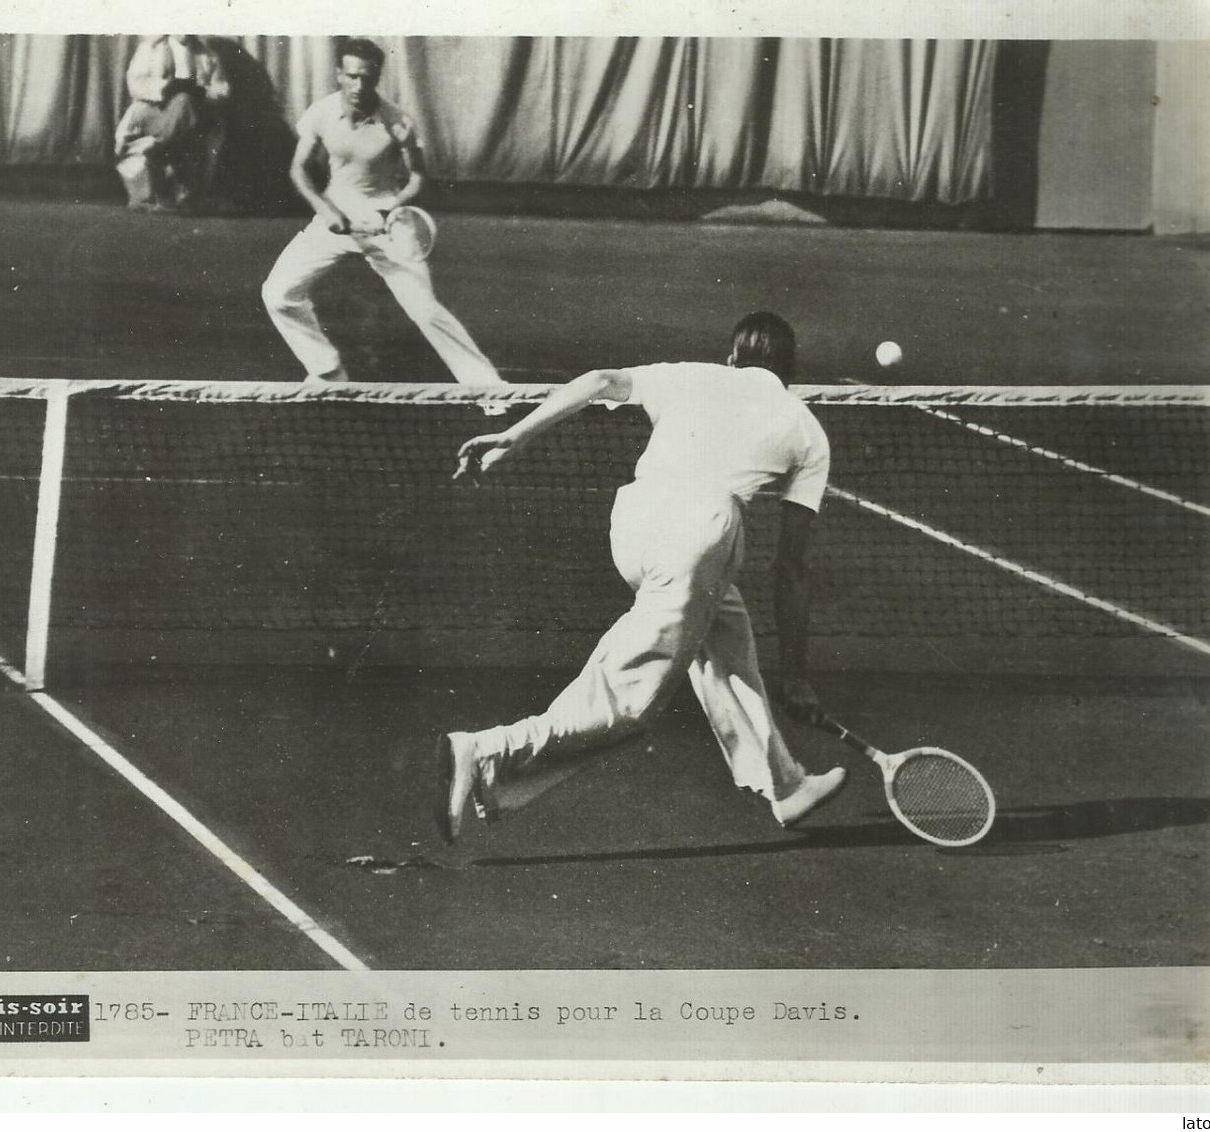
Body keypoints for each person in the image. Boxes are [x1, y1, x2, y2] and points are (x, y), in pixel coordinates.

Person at [436, 311, 845, 843]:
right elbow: (792, 567)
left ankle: (785, 783)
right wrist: (796, 674)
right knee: (632, 703)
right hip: (700, 535)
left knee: (725, 639)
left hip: (633, 525)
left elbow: (598, 381)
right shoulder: (805, 427)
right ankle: (487, 751)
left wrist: (513, 437)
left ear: (732, 358)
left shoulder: (691, 374)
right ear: (790, 371)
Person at [261, 38, 506, 387]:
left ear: (377, 76)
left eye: (367, 77)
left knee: (425, 311)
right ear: (339, 75)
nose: (359, 85)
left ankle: (490, 390)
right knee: (278, 294)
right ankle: (327, 370)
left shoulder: (398, 122)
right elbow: (299, 170)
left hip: (386, 224)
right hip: (333, 220)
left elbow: (418, 176)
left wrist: (389, 208)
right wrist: (326, 209)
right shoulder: (320, 113)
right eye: (352, 76)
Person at [114, 35, 230, 213]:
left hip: (194, 114)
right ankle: (169, 155)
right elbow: (135, 83)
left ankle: (161, 149)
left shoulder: (207, 55)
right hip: (155, 113)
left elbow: (222, 89)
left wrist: (200, 92)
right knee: (182, 102)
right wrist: (166, 88)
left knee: (186, 102)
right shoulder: (150, 49)